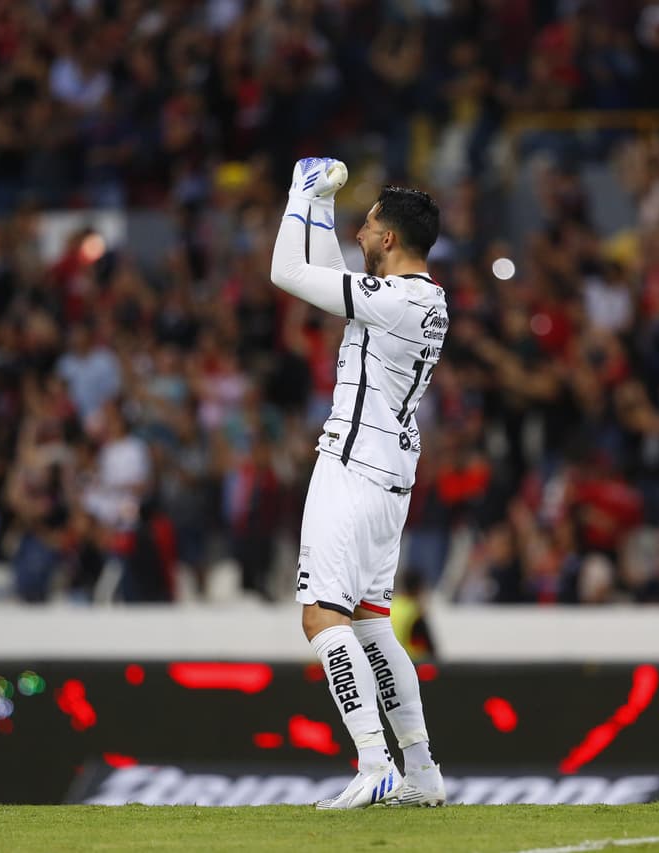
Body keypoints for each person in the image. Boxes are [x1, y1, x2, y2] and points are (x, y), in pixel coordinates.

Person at [270, 158, 447, 809]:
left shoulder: (395, 301)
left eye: (368, 223)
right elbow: (328, 278)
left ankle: (374, 761)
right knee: (372, 624)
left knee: (322, 615)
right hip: (391, 476)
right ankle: (422, 770)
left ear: (390, 239)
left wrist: (298, 190)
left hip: (352, 466)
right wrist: (318, 203)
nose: (361, 229)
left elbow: (288, 274)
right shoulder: (423, 298)